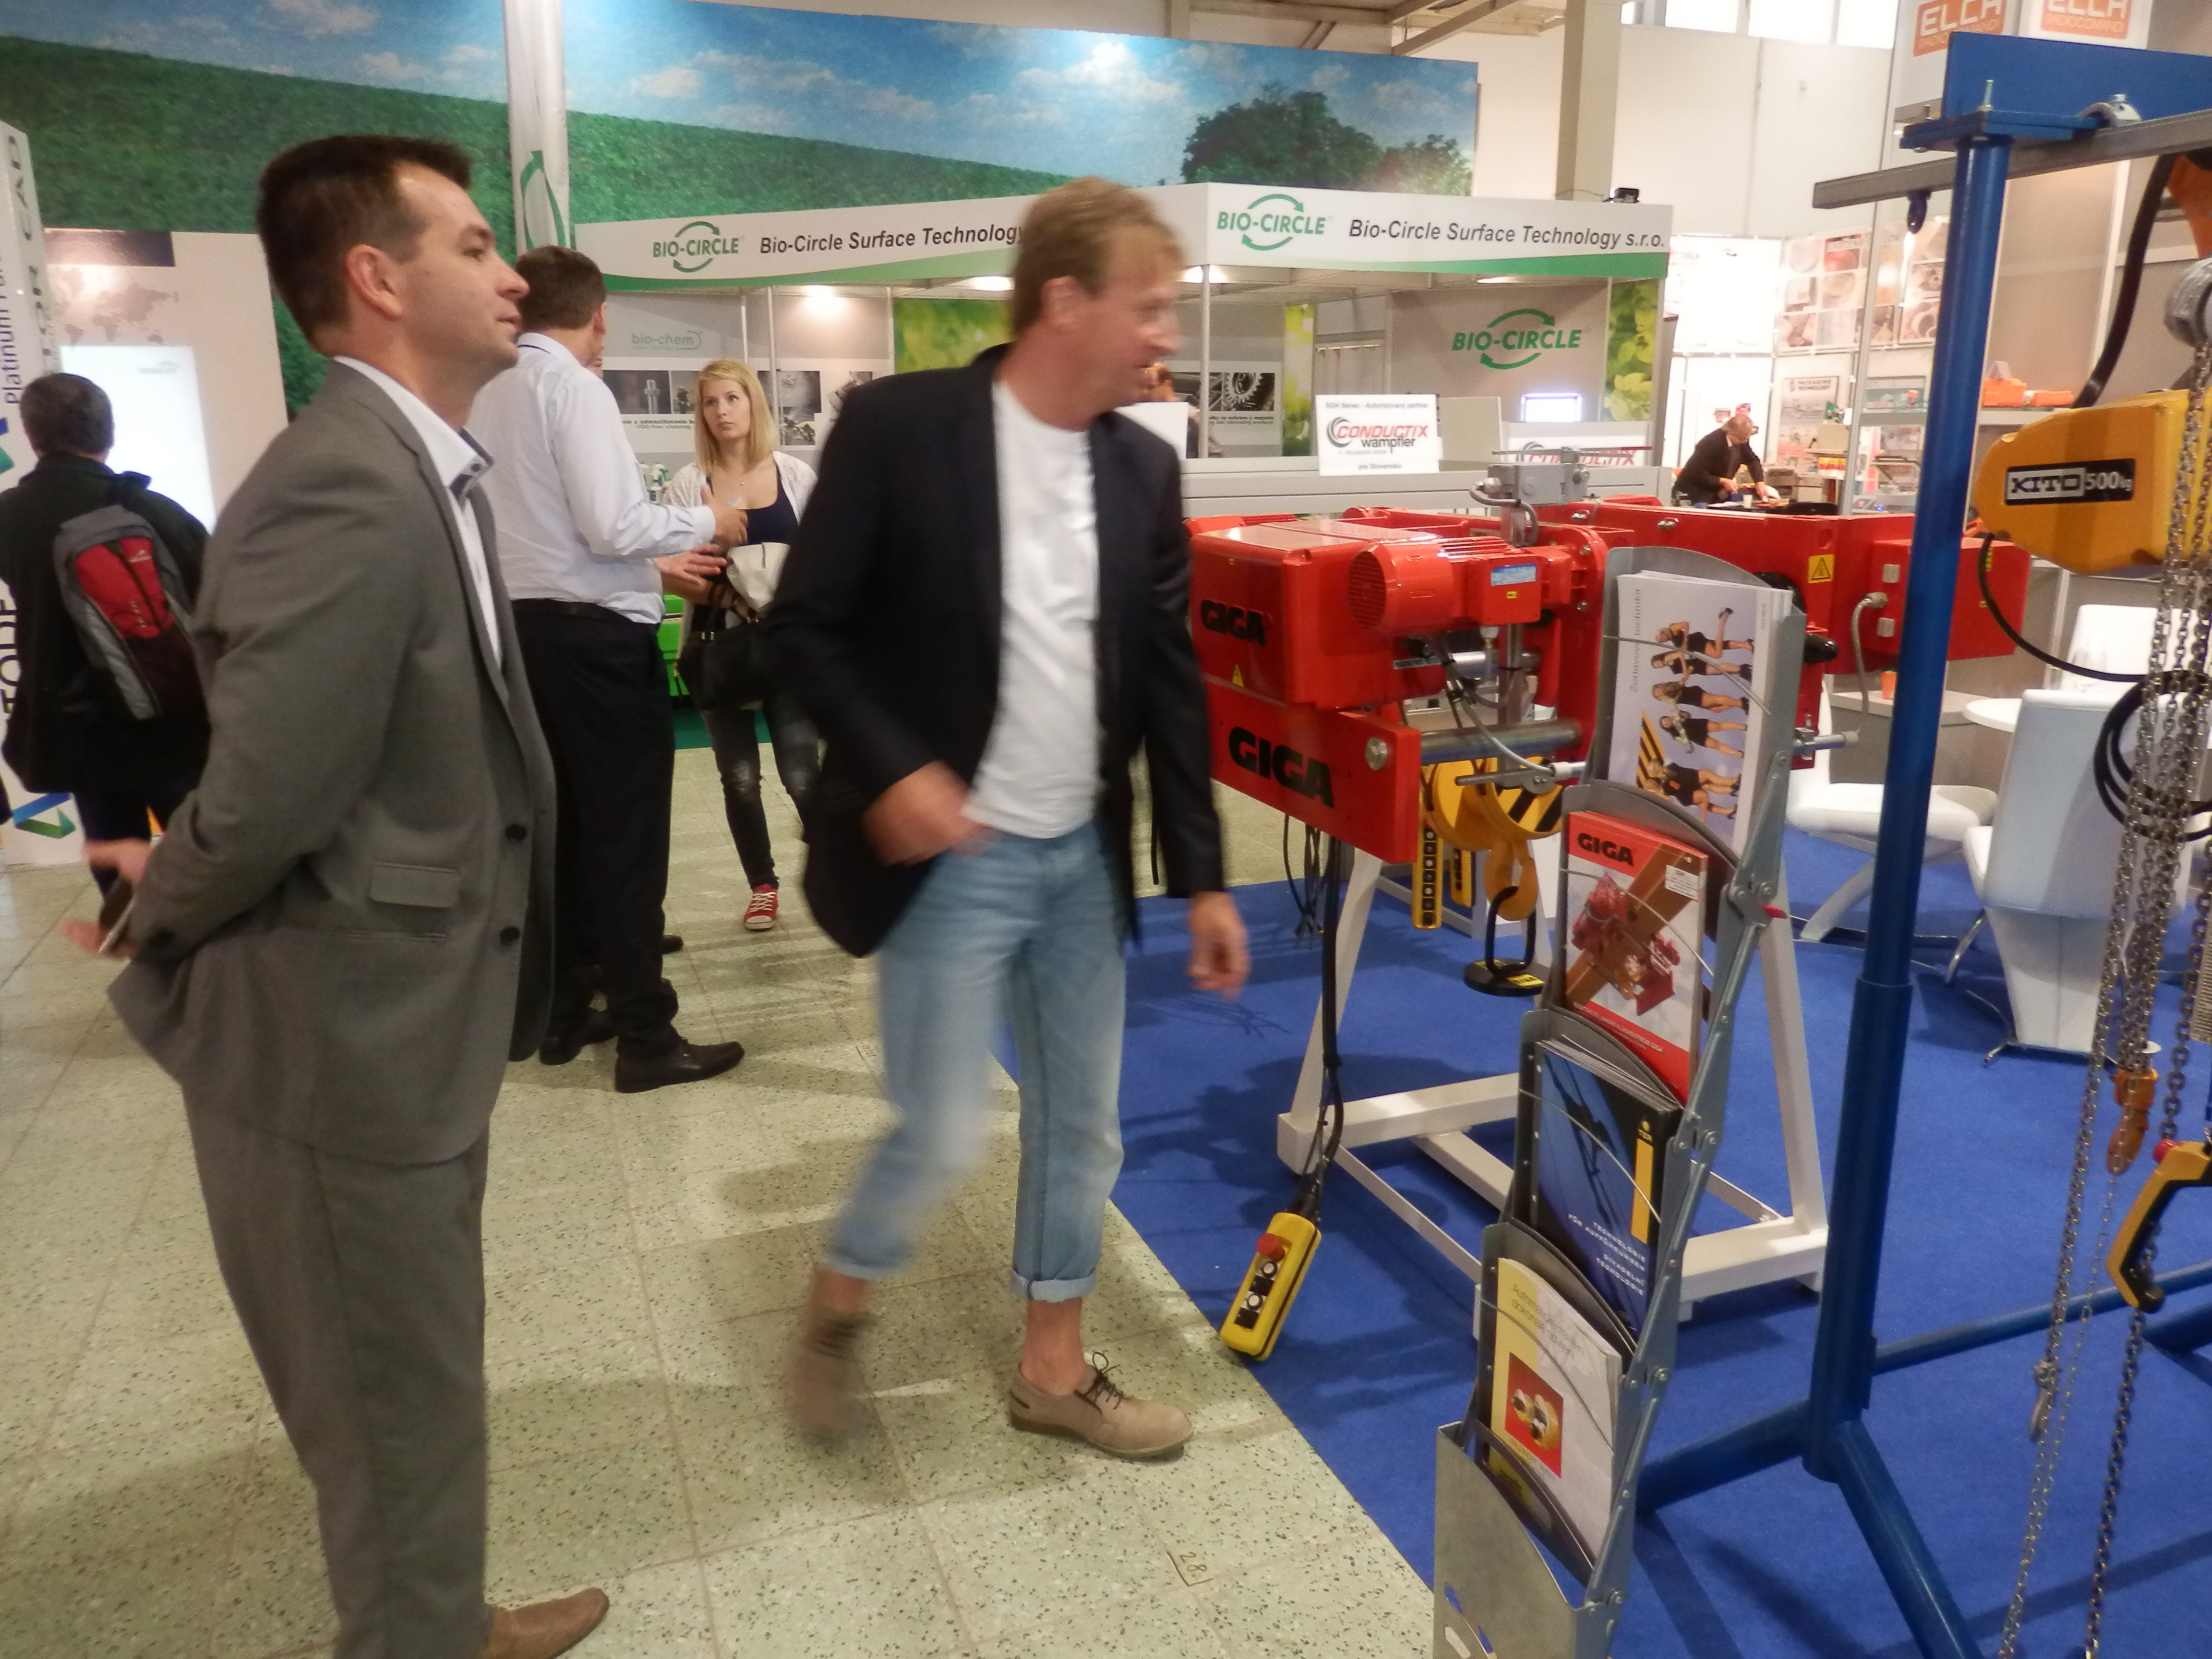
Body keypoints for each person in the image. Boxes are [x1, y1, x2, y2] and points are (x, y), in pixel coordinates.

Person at [70, 135, 605, 1659]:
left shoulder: (412, 467)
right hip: (334, 1039)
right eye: (474, 246)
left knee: (409, 1377)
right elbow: (266, 794)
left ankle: (438, 1616)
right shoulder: (347, 488)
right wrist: (164, 901)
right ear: (377, 277)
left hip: (401, 1026)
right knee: (386, 1398)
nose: (514, 278)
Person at [768, 177, 1250, 1454]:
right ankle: (836, 1306)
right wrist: (895, 771)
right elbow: (803, 629)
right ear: (1065, 301)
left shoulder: (1142, 467)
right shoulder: (902, 428)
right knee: (941, 1131)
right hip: (954, 857)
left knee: (1082, 1126)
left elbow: (1168, 679)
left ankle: (1054, 1370)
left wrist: (1204, 877)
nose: (1165, 335)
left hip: (1079, 859)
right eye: (1149, 307)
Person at [469, 245, 745, 1089]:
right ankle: (646, 1037)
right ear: (598, 317)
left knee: (568, 835)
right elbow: (612, 524)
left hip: (525, 639)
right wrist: (707, 522)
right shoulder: (574, 388)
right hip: (597, 649)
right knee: (627, 840)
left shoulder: (486, 387)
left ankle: (566, 1009)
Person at [0, 373, 209, 881]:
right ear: (108, 433)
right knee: (201, 869)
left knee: (118, 871)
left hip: (81, 732)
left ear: (32, 436)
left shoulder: (8, 517)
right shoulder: (155, 510)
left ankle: (130, 929)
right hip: (172, 722)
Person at [664, 360, 820, 932]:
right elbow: (672, 572)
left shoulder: (794, 475)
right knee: (739, 779)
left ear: (754, 403)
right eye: (710, 402)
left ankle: (837, 872)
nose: (722, 412)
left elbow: (823, 558)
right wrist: (732, 598)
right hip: (720, 650)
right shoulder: (690, 485)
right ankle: (763, 887)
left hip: (787, 650)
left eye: (732, 399)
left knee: (802, 773)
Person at [1675, 411, 1779, 506]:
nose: (1745, 441)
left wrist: (1759, 482)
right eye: (1743, 438)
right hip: (1694, 493)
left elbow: (1752, 460)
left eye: (1747, 438)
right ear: (1730, 433)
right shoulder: (1711, 443)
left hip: (1717, 494)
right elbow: (1695, 473)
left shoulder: (1741, 441)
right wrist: (1721, 481)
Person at [1659, 711, 1747, 758]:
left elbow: (1687, 715)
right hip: (1697, 737)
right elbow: (1685, 742)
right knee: (1717, 745)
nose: (1667, 722)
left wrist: (1681, 715)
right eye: (1665, 724)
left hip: (1698, 725)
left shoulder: (1676, 716)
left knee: (1718, 726)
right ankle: (1738, 754)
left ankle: (1741, 727)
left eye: (1666, 720)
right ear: (1666, 728)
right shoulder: (1675, 735)